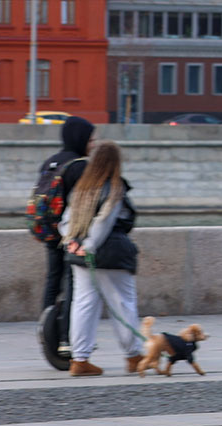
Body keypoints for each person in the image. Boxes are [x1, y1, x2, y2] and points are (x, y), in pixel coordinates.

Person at [58, 140, 144, 376]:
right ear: (115, 163)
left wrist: (71, 241)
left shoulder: (82, 188)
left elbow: (65, 220)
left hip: (78, 254)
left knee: (83, 305)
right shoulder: (114, 187)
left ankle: (80, 359)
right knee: (123, 303)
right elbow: (103, 221)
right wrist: (90, 245)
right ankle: (134, 356)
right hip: (108, 253)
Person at [39, 116, 96, 354]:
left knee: (52, 281)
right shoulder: (80, 165)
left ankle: (47, 336)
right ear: (80, 138)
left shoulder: (50, 162)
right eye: (91, 138)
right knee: (73, 283)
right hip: (71, 234)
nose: (92, 143)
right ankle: (67, 338)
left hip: (50, 232)